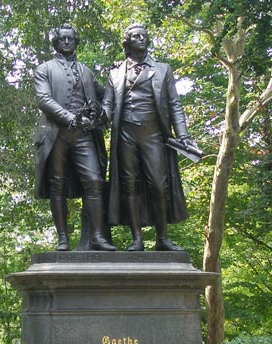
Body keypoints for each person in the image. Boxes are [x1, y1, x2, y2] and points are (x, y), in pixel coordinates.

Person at [102, 23, 195, 251]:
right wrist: (100, 116)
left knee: (158, 184)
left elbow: (174, 104)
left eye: (144, 35)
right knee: (129, 185)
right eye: (136, 36)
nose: (141, 38)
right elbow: (108, 104)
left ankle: (162, 238)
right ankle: (137, 239)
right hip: (125, 133)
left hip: (153, 133)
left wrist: (182, 134)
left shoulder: (163, 69)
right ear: (128, 42)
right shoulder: (115, 73)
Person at [33, 23, 115, 252]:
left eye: (71, 39)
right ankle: (63, 238)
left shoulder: (86, 71)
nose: (67, 42)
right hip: (55, 134)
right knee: (56, 184)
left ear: (76, 42)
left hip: (84, 135)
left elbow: (106, 93)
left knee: (94, 181)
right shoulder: (44, 69)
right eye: (63, 39)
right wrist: (70, 118)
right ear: (56, 43)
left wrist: (116, 74)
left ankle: (97, 236)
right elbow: (44, 100)